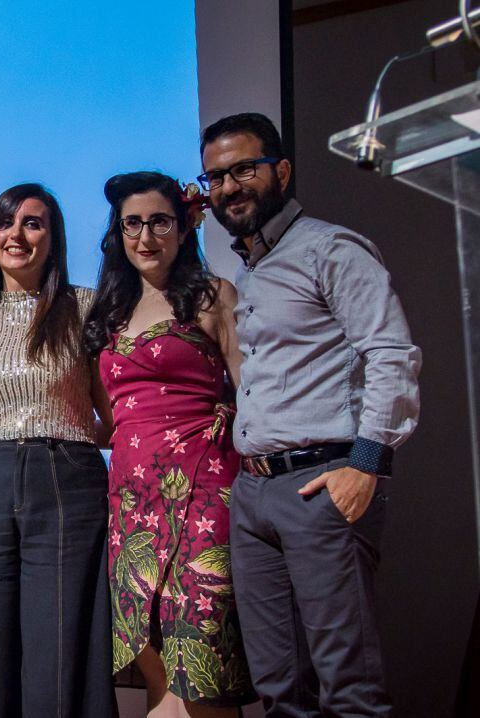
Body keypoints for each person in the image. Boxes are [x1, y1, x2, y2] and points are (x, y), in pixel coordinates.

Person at [199, 112, 421, 716]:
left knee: (348, 689)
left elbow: (391, 353)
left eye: (244, 169)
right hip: (254, 494)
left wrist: (367, 463)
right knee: (278, 693)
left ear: (283, 170)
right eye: (216, 178)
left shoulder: (329, 248)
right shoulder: (253, 270)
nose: (230, 188)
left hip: (322, 483)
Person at [84, 172, 256, 716]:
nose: (145, 235)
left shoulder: (213, 297)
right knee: (155, 661)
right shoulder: (107, 316)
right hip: (132, 502)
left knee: (204, 663)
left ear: (184, 227)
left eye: (159, 221)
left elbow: (252, 393)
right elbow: (109, 425)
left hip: (205, 491)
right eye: (132, 223)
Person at [0, 183, 114, 717]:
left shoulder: (85, 308)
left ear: (54, 240)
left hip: (66, 482)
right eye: (6, 223)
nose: (17, 235)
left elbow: (112, 416)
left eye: (33, 223)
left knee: (56, 646)